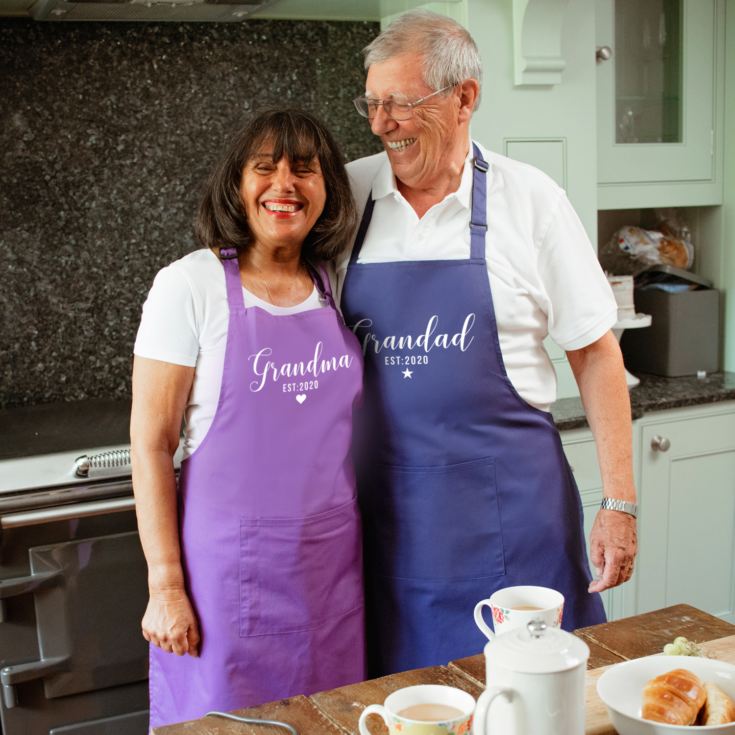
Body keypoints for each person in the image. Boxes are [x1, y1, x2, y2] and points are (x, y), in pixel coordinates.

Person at [337, 10, 638, 677]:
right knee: (402, 705)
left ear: (464, 97)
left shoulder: (530, 200)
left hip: (510, 522)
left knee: (530, 703)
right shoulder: (344, 197)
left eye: (401, 103)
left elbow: (594, 352)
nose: (381, 122)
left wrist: (618, 502)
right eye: (372, 102)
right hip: (384, 525)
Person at [131, 109, 365, 728]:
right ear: (237, 185)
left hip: (331, 572)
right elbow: (151, 445)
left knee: (333, 719)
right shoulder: (190, 285)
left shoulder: (333, 283)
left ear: (328, 189)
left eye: (304, 170)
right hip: (225, 584)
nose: (284, 184)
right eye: (265, 168)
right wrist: (165, 587)